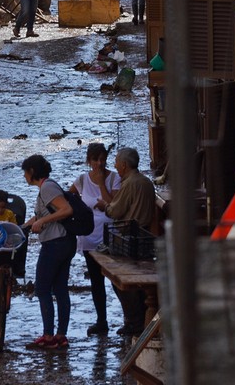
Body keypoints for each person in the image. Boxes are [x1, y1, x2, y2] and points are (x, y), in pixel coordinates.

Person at [96, 147, 156, 337]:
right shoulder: (145, 181)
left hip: (131, 237)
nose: (114, 165)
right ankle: (136, 318)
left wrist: (103, 205)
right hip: (143, 234)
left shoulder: (130, 183)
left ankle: (134, 320)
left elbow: (115, 211)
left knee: (119, 280)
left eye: (116, 162)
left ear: (123, 165)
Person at [21, 153, 75, 350]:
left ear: (32, 171)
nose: (24, 177)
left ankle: (49, 336)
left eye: (25, 172)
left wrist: (43, 221)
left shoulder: (47, 187)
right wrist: (23, 227)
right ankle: (61, 336)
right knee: (60, 289)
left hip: (55, 244)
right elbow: (39, 216)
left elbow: (66, 210)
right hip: (64, 242)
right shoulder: (46, 187)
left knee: (42, 289)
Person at [70, 142, 120, 336]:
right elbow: (68, 197)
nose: (99, 163)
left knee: (116, 278)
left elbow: (113, 203)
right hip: (89, 237)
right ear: (89, 161)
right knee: (96, 281)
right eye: (95, 160)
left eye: (102, 159)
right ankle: (102, 320)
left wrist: (100, 183)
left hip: (110, 233)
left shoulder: (114, 178)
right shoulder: (82, 179)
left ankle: (129, 318)